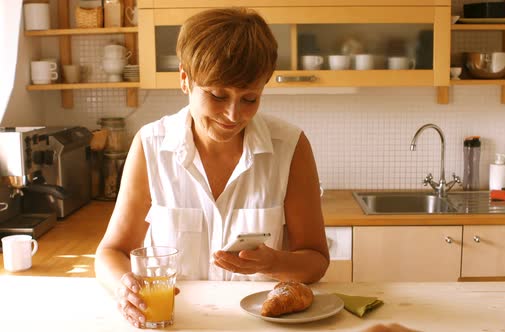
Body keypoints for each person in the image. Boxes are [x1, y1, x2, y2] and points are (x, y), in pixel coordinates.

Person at [94, 7, 329, 327]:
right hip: (175, 323)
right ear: (184, 79)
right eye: (218, 95)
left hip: (261, 325)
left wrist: (274, 262)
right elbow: (111, 252)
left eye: (250, 99)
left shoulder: (290, 147)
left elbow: (315, 261)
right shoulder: (150, 145)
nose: (234, 114)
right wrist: (125, 287)